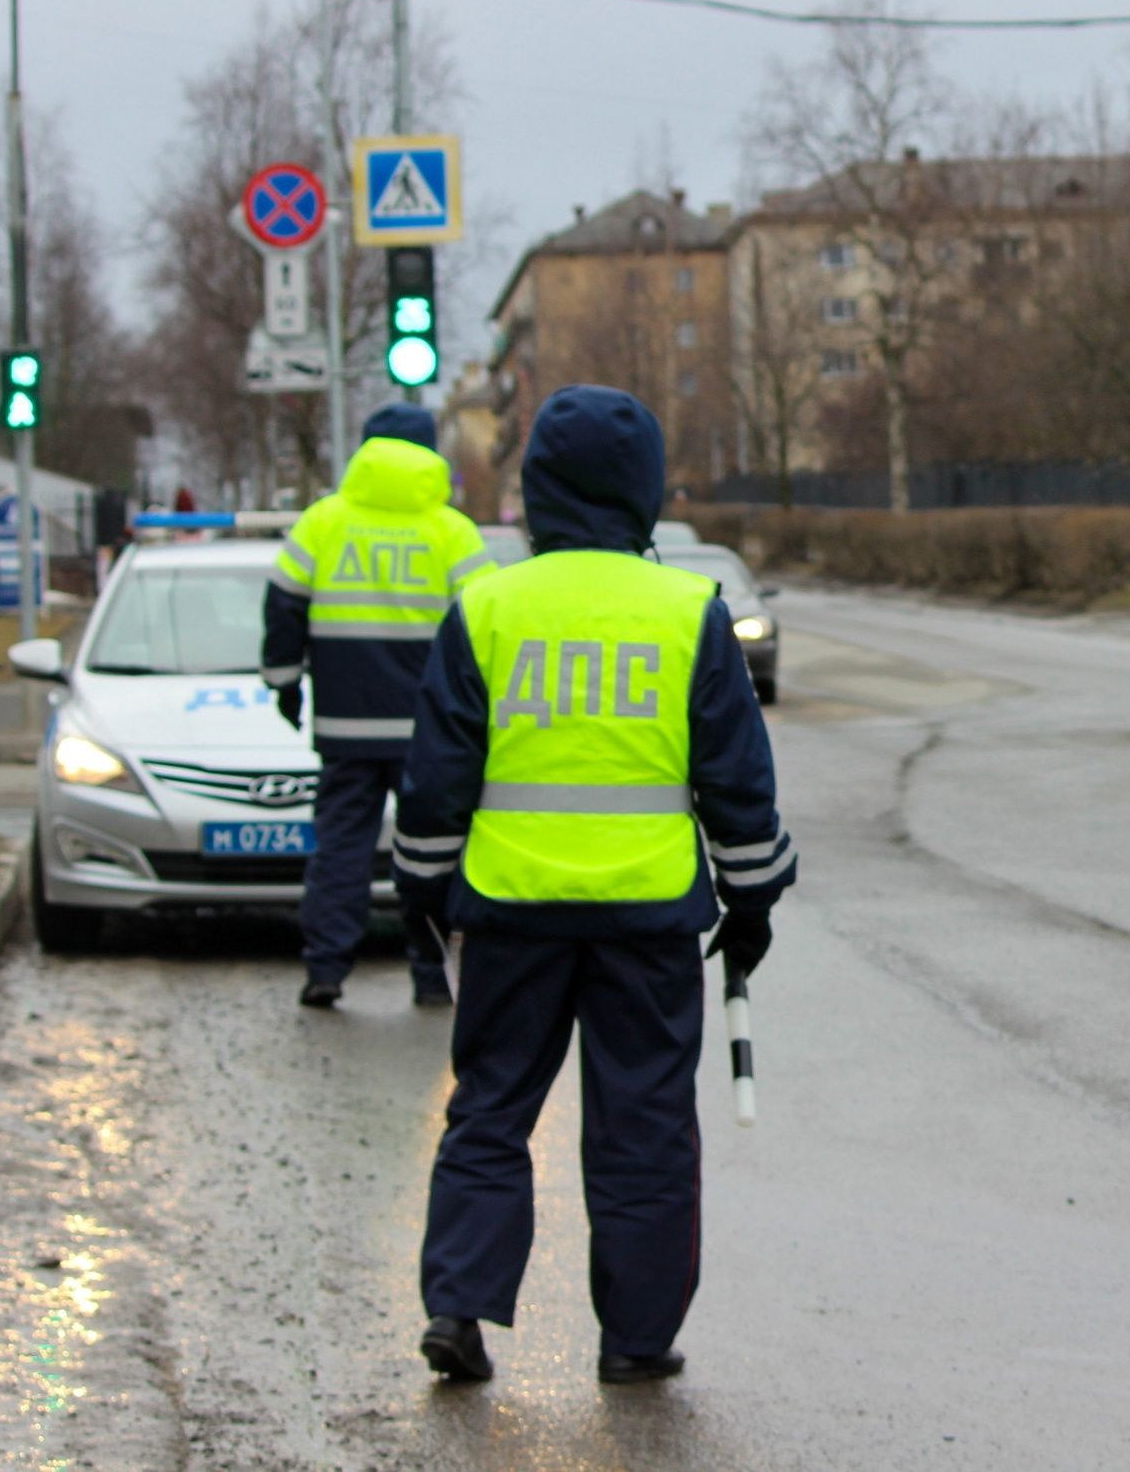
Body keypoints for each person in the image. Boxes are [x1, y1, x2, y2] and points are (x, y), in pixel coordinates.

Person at [390, 384, 793, 1385]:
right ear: (644, 493)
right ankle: (637, 1339)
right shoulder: (685, 612)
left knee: (488, 1110)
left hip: (510, 912)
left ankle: (459, 1305)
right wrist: (751, 907)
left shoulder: (485, 607)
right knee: (644, 1130)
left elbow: (435, 785)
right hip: (647, 922)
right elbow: (737, 786)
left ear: (538, 489)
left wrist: (425, 897)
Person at [262, 402, 492, 1009]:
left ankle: (327, 968)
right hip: (430, 732)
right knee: (431, 853)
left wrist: (284, 682)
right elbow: (486, 625)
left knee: (341, 848)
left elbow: (283, 604)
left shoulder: (322, 523)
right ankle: (430, 974)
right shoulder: (452, 531)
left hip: (345, 725)